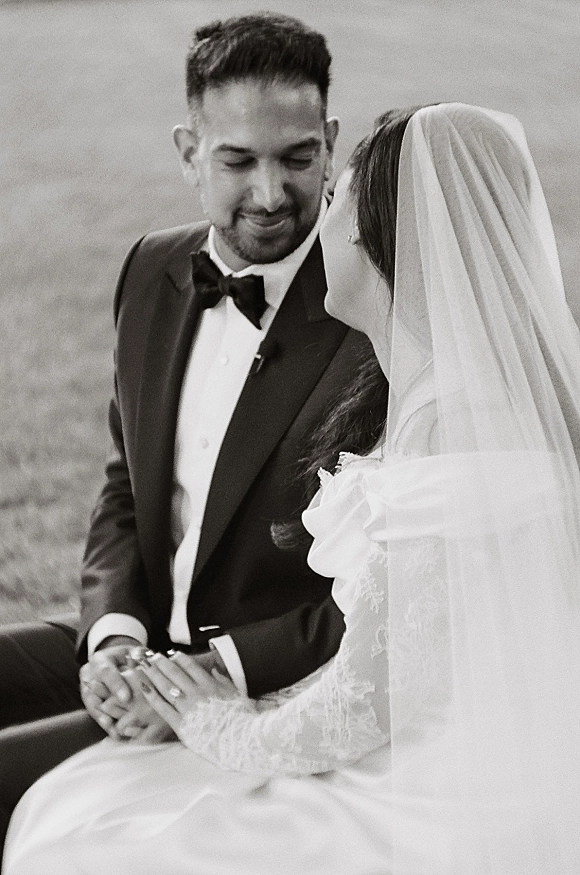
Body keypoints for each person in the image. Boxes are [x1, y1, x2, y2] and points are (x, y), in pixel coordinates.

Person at [5, 101, 580, 874]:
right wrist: (131, 647)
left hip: (428, 785)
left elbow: (368, 701)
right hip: (357, 719)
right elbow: (125, 489)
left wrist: (219, 718)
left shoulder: (452, 421)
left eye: (333, 195)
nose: (305, 217)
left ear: (387, 236)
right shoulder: (432, 390)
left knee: (82, 831)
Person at [0, 11, 389, 855]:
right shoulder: (151, 267)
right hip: (135, 635)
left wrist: (211, 673)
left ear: (330, 140)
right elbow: (122, 486)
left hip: (260, 684)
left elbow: (384, 590)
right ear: (187, 151)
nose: (270, 192)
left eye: (297, 157)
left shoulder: (378, 315)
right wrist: (113, 640)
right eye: (236, 159)